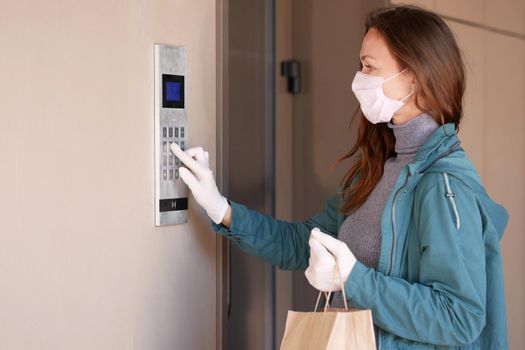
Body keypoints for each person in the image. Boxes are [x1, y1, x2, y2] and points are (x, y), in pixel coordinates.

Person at [170, 4, 509, 349]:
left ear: (414, 76)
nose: (359, 79)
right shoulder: (377, 169)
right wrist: (222, 210)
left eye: (369, 67)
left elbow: (459, 318)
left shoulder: (443, 185)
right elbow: (304, 244)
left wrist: (353, 278)